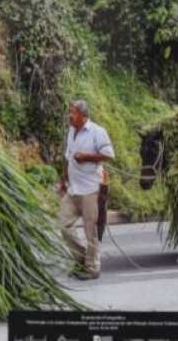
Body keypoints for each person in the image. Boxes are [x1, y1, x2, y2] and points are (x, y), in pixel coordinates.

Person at [59, 100, 115, 280]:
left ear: (83, 116)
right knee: (64, 226)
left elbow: (108, 155)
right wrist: (63, 179)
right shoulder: (71, 131)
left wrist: (87, 157)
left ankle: (92, 268)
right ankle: (83, 258)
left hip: (91, 189)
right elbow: (68, 157)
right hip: (73, 189)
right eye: (70, 112)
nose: (70, 115)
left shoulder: (97, 132)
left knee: (90, 231)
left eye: (73, 112)